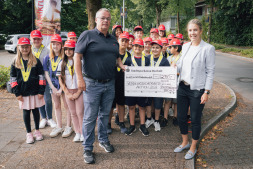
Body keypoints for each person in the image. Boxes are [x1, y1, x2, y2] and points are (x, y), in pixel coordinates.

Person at [74, 8, 125, 164]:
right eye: (102, 18)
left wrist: (122, 65)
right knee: (90, 117)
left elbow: (116, 57)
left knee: (104, 115)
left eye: (108, 19)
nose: (105, 21)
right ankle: (88, 148)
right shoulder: (87, 35)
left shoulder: (112, 39)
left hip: (109, 83)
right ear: (96, 20)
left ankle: (103, 140)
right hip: (92, 84)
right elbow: (77, 56)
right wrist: (80, 79)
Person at [174, 19, 215, 160]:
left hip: (197, 89)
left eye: (195, 30)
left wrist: (206, 91)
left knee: (196, 119)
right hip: (182, 87)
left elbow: (210, 71)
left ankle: (193, 147)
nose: (192, 33)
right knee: (181, 117)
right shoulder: (185, 46)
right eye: (190, 30)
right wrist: (175, 66)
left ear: (201, 31)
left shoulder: (208, 48)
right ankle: (185, 142)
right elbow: (181, 63)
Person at [10, 37, 45, 144]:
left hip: (35, 92)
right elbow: (13, 79)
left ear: (30, 47)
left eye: (26, 47)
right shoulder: (15, 62)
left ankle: (37, 131)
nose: (25, 49)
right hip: (23, 93)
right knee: (26, 112)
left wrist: (41, 91)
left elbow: (41, 77)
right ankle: (29, 133)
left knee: (35, 111)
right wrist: (17, 93)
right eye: (22, 47)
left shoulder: (35, 60)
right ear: (19, 48)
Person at [43, 34, 73, 138]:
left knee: (67, 106)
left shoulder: (64, 57)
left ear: (61, 45)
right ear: (51, 45)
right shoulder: (47, 57)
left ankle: (69, 126)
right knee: (56, 105)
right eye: (53, 44)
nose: (55, 46)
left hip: (64, 86)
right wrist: (52, 86)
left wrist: (61, 88)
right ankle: (59, 126)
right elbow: (46, 72)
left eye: (57, 44)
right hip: (53, 86)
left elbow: (66, 73)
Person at [56, 40, 84, 142]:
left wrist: (78, 92)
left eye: (70, 49)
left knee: (80, 112)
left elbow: (83, 78)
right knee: (73, 113)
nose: (68, 51)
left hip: (79, 91)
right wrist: (66, 92)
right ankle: (77, 132)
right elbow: (60, 79)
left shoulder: (80, 62)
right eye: (66, 49)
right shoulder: (62, 63)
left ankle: (83, 133)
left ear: (74, 50)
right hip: (68, 91)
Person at [30, 30, 57, 129]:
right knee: (39, 98)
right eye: (34, 38)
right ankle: (43, 118)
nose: (36, 40)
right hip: (34, 79)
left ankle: (50, 118)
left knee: (48, 99)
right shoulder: (29, 50)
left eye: (38, 38)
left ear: (42, 39)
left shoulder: (47, 51)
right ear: (31, 39)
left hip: (45, 78)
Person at [124, 38, 150, 136]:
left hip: (142, 87)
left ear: (143, 48)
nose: (137, 48)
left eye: (140, 46)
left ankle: (142, 125)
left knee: (142, 107)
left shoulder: (146, 60)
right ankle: (132, 125)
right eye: (135, 46)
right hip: (131, 88)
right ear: (133, 47)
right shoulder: (129, 59)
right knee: (131, 107)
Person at [145, 40, 170, 132]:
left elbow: (167, 75)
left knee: (158, 104)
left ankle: (156, 120)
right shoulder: (147, 58)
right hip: (148, 85)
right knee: (148, 102)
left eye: (157, 47)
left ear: (161, 49)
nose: (155, 49)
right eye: (153, 47)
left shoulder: (164, 61)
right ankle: (149, 118)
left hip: (159, 87)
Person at [162, 38, 182, 127]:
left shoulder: (182, 58)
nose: (169, 49)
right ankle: (165, 118)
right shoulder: (169, 58)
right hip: (169, 83)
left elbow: (183, 71)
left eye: (171, 47)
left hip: (177, 83)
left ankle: (175, 117)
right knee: (167, 101)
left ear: (176, 48)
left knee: (176, 102)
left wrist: (175, 72)